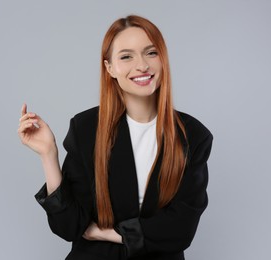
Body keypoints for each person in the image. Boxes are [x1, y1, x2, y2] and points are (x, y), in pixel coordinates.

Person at [18, 15, 213, 260]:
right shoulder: (86, 128)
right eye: (126, 56)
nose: (142, 65)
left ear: (163, 59)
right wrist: (48, 155)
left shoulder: (193, 135)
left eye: (151, 53)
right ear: (109, 67)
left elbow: (181, 229)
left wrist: (105, 233)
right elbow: (69, 226)